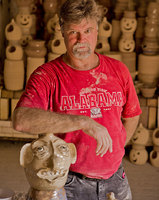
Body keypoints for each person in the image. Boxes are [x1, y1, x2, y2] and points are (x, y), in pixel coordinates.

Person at [13, 0, 142, 199]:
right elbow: (21, 120)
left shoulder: (118, 70)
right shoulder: (47, 76)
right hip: (69, 181)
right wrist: (82, 122)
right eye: (74, 32)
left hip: (116, 179)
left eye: (88, 30)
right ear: (62, 31)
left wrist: (116, 148)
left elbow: (132, 116)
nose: (82, 39)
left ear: (97, 30)